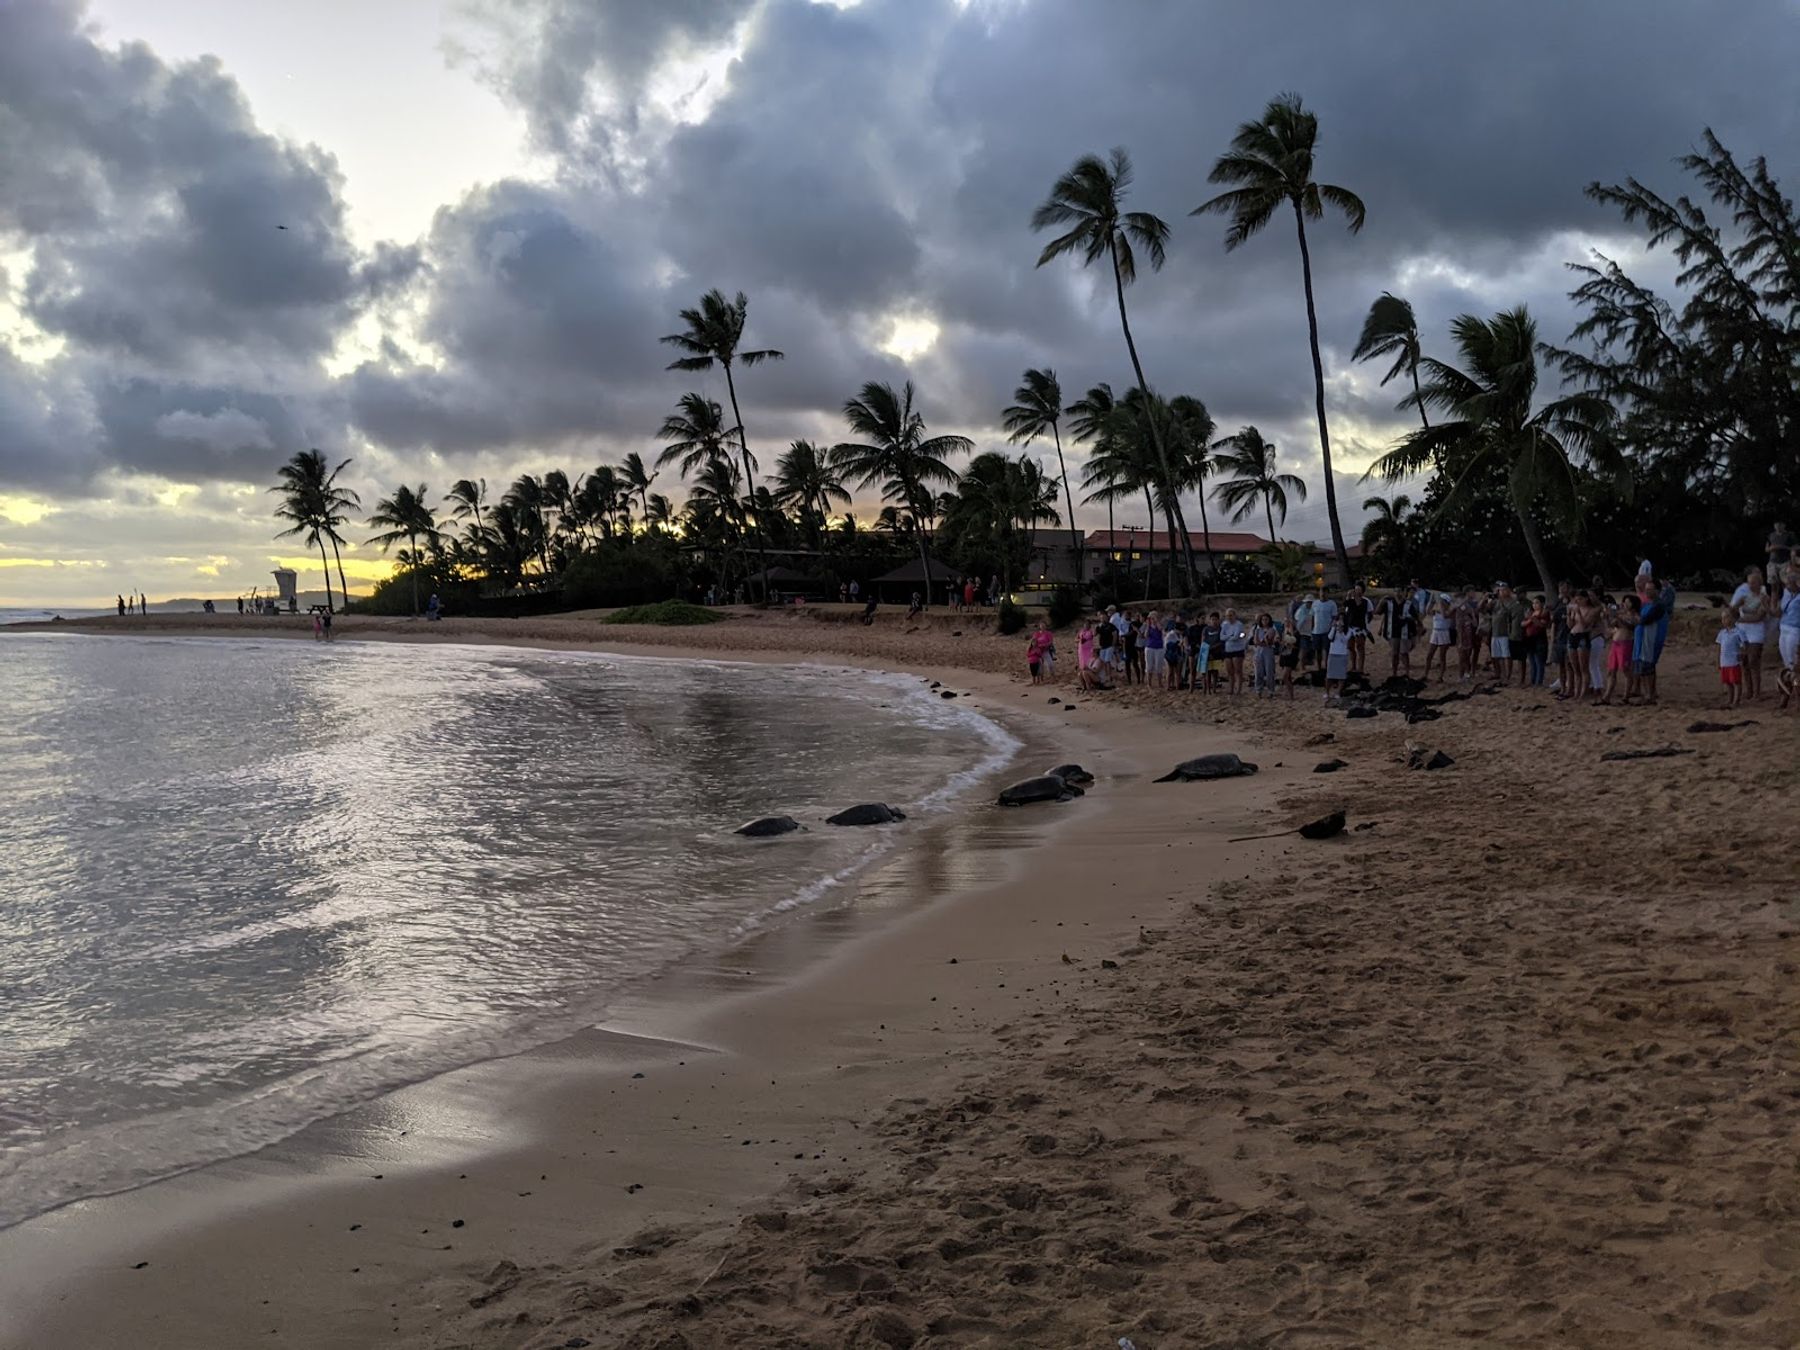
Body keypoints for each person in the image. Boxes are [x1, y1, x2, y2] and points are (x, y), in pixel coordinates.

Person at [1730, 567, 1772, 700]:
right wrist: (1736, 608)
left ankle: (1757, 692)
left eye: (1753, 583)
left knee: (1753, 659)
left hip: (1756, 630)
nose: (1750, 585)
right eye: (1749, 583)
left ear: (1759, 583)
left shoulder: (1764, 596)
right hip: (1743, 630)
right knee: (1745, 661)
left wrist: (1740, 618)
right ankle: (1749, 690)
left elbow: (1759, 616)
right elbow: (1732, 610)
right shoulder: (1744, 594)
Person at [1598, 593, 1638, 705]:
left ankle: (1626, 695)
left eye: (1628, 602)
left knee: (1626, 670)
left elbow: (1630, 625)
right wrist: (1606, 618)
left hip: (1625, 643)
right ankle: (1607, 696)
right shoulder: (1622, 615)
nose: (1625, 604)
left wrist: (1617, 616)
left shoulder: (1634, 616)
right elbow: (1611, 627)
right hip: (1616, 643)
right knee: (1611, 670)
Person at [1489, 583, 1521, 685]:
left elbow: (1512, 616)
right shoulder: (1495, 602)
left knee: (1507, 656)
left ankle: (1508, 676)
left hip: (1505, 633)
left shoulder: (1512, 602)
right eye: (1500, 590)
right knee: (1498, 656)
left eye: (1503, 590)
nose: (1501, 592)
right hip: (1495, 633)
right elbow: (1485, 609)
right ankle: (1503, 675)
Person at [1717, 606, 1746, 709]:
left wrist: (1742, 655)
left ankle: (1736, 700)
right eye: (1723, 618)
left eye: (1726, 617)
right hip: (1724, 661)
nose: (1724, 620)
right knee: (1727, 682)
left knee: (1736, 681)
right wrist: (1718, 661)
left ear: (1734, 618)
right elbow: (1719, 648)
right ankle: (1730, 699)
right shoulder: (1722, 633)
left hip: (1734, 661)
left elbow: (1744, 645)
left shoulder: (1738, 632)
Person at [1425, 596, 1454, 682]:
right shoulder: (1436, 611)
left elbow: (1445, 615)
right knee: (1429, 655)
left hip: (1444, 633)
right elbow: (1427, 611)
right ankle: (1425, 675)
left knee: (1442, 656)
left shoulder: (1450, 611)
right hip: (1435, 632)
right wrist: (1431, 602)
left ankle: (1440, 676)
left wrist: (1440, 604)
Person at [1522, 596, 1550, 686]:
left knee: (1539, 661)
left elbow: (1542, 625)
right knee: (1532, 661)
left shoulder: (1544, 613)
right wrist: (1531, 619)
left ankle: (1539, 681)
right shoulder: (1532, 613)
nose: (1534, 605)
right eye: (1533, 603)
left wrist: (1532, 619)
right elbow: (1523, 623)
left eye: (1537, 603)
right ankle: (1533, 680)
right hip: (1530, 638)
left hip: (1539, 639)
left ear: (1542, 604)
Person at [1342, 585, 1370, 674]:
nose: (1357, 591)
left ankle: (1360, 668)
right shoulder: (1351, 601)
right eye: (1356, 589)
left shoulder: (1365, 602)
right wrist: (1348, 596)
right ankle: (1353, 666)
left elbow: (1366, 612)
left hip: (1360, 627)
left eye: (1359, 589)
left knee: (1360, 647)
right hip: (1350, 626)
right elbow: (1345, 604)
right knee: (1350, 646)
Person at [1250, 611, 1279, 698]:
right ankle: (1259, 689)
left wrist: (1264, 641)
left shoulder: (1272, 630)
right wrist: (1262, 641)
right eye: (1263, 619)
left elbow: (1269, 642)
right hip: (1259, 651)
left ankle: (1271, 690)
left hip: (1268, 651)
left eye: (1266, 619)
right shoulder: (1258, 630)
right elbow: (1256, 642)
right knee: (1259, 672)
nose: (1264, 621)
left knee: (1269, 671)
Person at [1323, 615, 1351, 704]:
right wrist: (1334, 628)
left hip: (1342, 654)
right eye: (1339, 619)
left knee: (1341, 676)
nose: (1340, 621)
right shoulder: (1333, 628)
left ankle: (1338, 692)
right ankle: (1327, 692)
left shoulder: (1349, 630)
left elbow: (1345, 640)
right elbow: (1330, 637)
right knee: (1329, 675)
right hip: (1333, 653)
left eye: (1342, 619)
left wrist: (1341, 632)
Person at [1221, 607, 1248, 694]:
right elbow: (1221, 637)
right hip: (1228, 649)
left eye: (1231, 615)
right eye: (1227, 615)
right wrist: (1230, 636)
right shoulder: (1224, 624)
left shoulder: (1239, 624)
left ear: (1235, 615)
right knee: (1229, 671)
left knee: (1238, 670)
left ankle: (1239, 689)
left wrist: (1228, 637)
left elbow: (1237, 636)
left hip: (1237, 649)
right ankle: (1231, 688)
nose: (1229, 617)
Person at [1143, 612, 1165, 689]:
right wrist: (1148, 625)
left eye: (1153, 618)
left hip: (1159, 647)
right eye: (1151, 618)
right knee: (1149, 666)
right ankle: (1149, 683)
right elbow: (1145, 635)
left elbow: (1160, 629)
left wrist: (1156, 622)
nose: (1152, 620)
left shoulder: (1159, 624)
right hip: (1150, 647)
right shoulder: (1148, 626)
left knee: (1159, 666)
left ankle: (1160, 683)